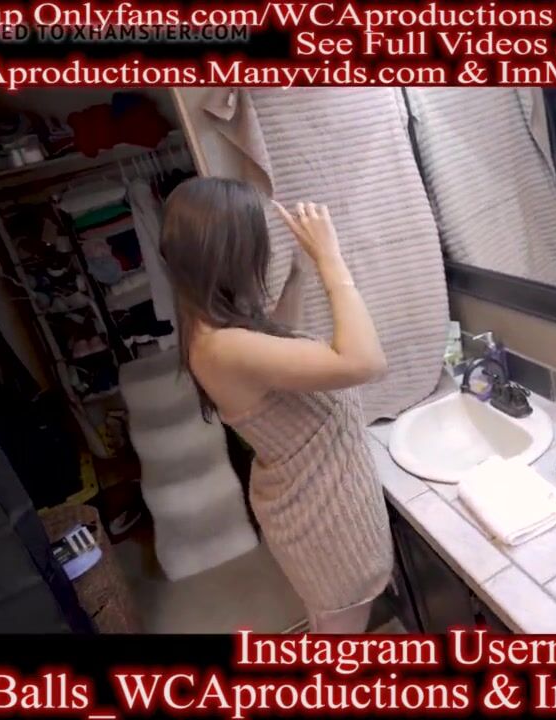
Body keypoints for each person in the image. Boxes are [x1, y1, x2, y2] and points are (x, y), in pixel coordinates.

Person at [158, 176, 392, 634]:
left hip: (311, 506)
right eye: (258, 242)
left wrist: (300, 269)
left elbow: (279, 345)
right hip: (324, 520)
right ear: (231, 253)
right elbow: (365, 361)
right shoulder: (222, 346)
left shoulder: (214, 329)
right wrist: (330, 259)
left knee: (333, 627)